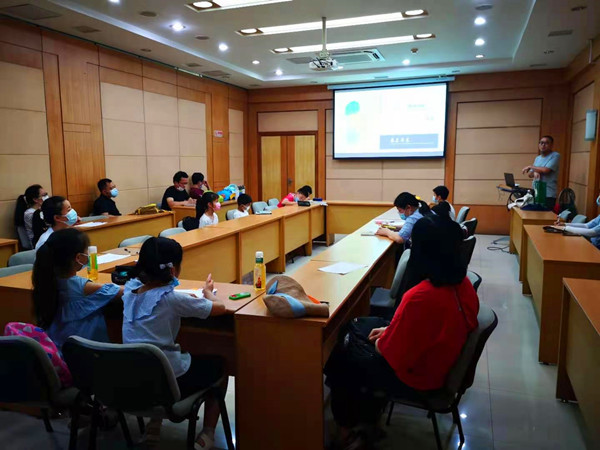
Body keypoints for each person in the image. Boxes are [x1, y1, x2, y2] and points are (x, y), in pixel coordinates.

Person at [325, 214, 479, 449]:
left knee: (344, 354)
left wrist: (384, 338)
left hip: (418, 378)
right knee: (359, 326)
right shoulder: (463, 284)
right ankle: (363, 413)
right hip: (439, 363)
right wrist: (390, 330)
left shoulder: (421, 296)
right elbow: (423, 329)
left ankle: (348, 429)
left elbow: (390, 353)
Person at [122, 237, 229, 448]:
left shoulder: (129, 292)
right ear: (173, 270)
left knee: (155, 359)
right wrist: (208, 292)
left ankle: (154, 425)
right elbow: (220, 308)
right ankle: (208, 433)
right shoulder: (172, 299)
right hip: (168, 384)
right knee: (222, 366)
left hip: (134, 382)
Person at [32, 228, 123, 350]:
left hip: (57, 352)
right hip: (89, 354)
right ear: (79, 258)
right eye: (86, 251)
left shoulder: (44, 282)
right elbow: (126, 292)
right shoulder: (82, 287)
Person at [522, 135, 560, 209]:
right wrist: (535, 172)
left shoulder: (555, 155)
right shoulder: (538, 158)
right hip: (536, 192)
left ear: (551, 145)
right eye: (541, 143)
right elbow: (530, 174)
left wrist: (531, 167)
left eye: (546, 143)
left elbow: (546, 170)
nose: (543, 145)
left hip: (548, 194)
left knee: (545, 215)